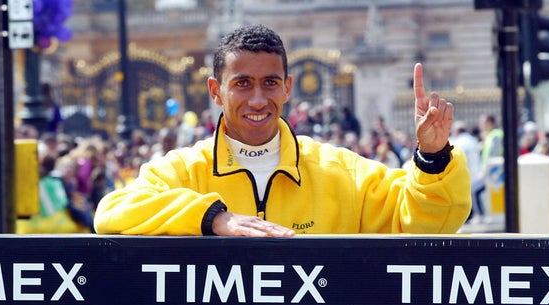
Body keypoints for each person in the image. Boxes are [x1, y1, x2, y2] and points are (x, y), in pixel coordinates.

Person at [94, 24, 470, 236]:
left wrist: (434, 157)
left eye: (270, 83)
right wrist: (215, 219)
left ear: (287, 88)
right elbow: (112, 212)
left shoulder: (342, 171)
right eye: (242, 84)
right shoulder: (183, 170)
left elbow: (427, 222)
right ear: (215, 91)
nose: (258, 99)